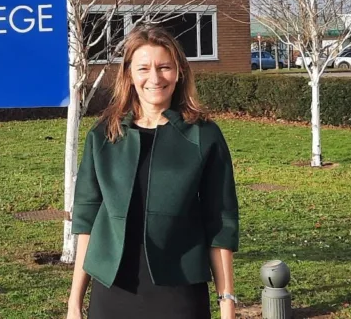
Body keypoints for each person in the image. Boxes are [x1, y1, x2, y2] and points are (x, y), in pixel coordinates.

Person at [66, 25, 240, 319]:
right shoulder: (103, 137)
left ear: (179, 72)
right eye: (143, 68)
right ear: (129, 75)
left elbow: (220, 224)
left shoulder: (203, 135)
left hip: (179, 291)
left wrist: (227, 304)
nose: (155, 78)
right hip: (113, 292)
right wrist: (74, 304)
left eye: (165, 67)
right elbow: (87, 222)